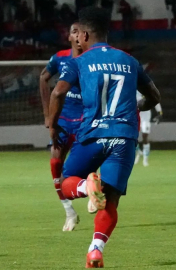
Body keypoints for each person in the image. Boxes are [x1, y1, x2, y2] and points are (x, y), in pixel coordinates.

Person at [48, 7, 160, 268]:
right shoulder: (130, 61)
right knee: (111, 200)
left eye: (77, 35)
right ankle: (95, 250)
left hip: (93, 134)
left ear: (85, 35)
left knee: (66, 182)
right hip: (124, 136)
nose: (75, 39)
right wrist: (138, 106)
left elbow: (56, 93)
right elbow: (154, 96)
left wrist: (53, 126)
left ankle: (87, 187)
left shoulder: (79, 62)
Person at [40, 22, 83, 232]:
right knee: (55, 165)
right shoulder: (60, 58)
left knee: (81, 170)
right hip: (64, 122)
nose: (76, 35)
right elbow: (43, 77)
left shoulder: (93, 59)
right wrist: (48, 116)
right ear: (69, 37)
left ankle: (93, 193)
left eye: (80, 32)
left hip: (87, 122)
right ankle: (69, 212)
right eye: (73, 31)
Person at [134, 91, 163, 167]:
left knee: (145, 136)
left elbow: (155, 99)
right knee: (133, 137)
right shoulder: (132, 88)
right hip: (135, 116)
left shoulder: (145, 88)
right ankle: (138, 152)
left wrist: (160, 112)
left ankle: (145, 158)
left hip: (145, 118)